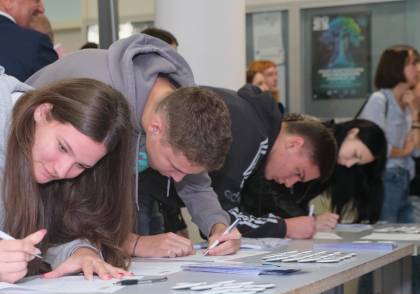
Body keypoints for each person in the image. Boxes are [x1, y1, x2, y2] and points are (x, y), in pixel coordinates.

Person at [0, 59, 135, 288]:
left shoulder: (37, 139)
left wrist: (80, 252)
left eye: (81, 166)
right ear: (43, 112)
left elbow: (47, 230)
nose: (62, 170)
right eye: (62, 147)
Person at [27, 34, 240, 257]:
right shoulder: (99, 93)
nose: (177, 179)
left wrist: (218, 227)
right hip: (24, 188)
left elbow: (196, 185)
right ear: (156, 128)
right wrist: (133, 243)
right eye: (174, 167)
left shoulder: (181, 111)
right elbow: (66, 198)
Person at [143, 85, 338, 240]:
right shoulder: (253, 136)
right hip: (140, 188)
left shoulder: (253, 123)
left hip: (149, 190)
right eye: (298, 172)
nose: (289, 182)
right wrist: (285, 227)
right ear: (294, 144)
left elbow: (207, 200)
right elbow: (226, 215)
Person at [241, 119, 387, 232]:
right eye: (355, 154)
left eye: (357, 163)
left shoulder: (337, 165)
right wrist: (307, 219)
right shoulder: (315, 140)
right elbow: (264, 188)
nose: (350, 164)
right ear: (352, 133)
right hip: (249, 217)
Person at [358, 45, 420, 223]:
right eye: (412, 63)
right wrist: (403, 151)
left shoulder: (407, 103)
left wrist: (415, 114)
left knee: (411, 240)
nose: (417, 68)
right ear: (396, 66)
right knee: (385, 237)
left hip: (405, 178)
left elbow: (416, 150)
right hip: (385, 178)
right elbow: (372, 145)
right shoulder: (379, 100)